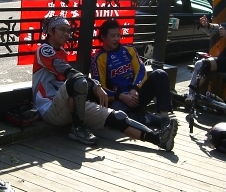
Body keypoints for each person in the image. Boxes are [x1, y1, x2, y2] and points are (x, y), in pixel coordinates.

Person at [32, 15, 175, 151]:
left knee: (118, 116)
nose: (66, 34)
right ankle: (78, 129)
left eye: (68, 30)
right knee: (77, 81)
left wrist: (134, 88)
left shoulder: (62, 51)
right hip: (50, 108)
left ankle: (159, 139)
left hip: (69, 107)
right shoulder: (44, 50)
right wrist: (97, 86)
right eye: (62, 30)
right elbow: (68, 72)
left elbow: (141, 70)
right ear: (50, 31)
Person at [91, 19, 178, 132]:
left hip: (136, 95)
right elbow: (99, 87)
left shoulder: (129, 50)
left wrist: (135, 88)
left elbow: (141, 70)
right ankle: (153, 120)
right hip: (119, 100)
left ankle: (165, 118)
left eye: (118, 35)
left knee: (160, 74)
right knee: (116, 114)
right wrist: (121, 96)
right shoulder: (98, 58)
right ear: (103, 37)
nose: (117, 39)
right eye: (113, 36)